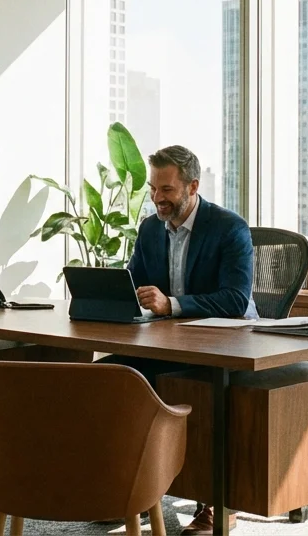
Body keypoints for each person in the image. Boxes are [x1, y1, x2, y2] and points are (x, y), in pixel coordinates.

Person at [99, 145, 254, 535]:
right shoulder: (151, 228)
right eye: (153, 189)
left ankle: (220, 502)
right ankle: (125, 491)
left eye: (166, 190)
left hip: (225, 347)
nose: (157, 199)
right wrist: (122, 295)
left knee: (203, 390)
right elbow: (134, 281)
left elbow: (236, 299)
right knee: (110, 379)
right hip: (169, 343)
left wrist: (173, 304)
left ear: (192, 186)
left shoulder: (228, 227)